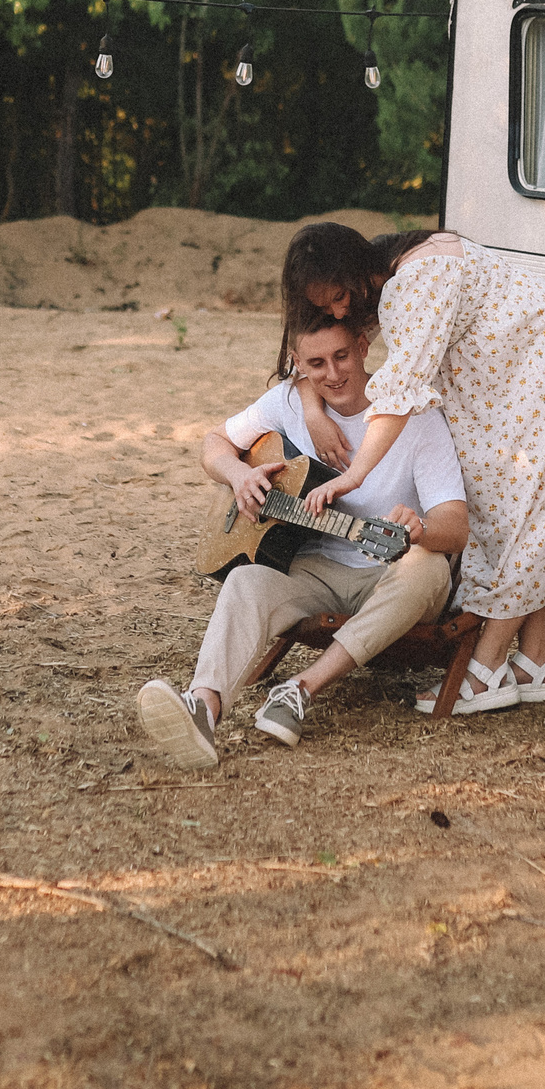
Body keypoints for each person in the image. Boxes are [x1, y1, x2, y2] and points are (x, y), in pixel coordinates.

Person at [286, 224, 545, 715]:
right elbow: (320, 353)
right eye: (324, 304)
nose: (335, 311)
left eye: (338, 298)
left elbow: (398, 394)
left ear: (356, 270)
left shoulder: (414, 283)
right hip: (522, 366)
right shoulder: (396, 268)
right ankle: (535, 660)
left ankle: (486, 669)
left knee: (526, 514)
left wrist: (354, 476)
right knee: (511, 506)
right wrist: (314, 410)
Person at [133, 316, 468, 769]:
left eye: (342, 356)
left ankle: (300, 689)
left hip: (392, 577)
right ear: (297, 363)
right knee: (246, 582)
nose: (333, 374)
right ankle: (203, 707)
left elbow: (456, 526)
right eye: (316, 363)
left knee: (427, 566)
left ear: (363, 346)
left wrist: (420, 528)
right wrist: (239, 475)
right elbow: (215, 442)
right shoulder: (289, 402)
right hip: (318, 568)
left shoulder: (415, 417)